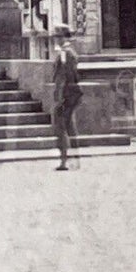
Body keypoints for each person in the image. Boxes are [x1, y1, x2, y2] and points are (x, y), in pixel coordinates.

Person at [50, 24, 84, 172]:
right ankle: (75, 160)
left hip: (66, 93)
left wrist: (58, 96)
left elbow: (62, 76)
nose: (56, 40)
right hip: (73, 92)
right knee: (70, 126)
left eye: (57, 37)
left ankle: (64, 161)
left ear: (63, 37)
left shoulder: (64, 53)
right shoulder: (70, 51)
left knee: (61, 126)